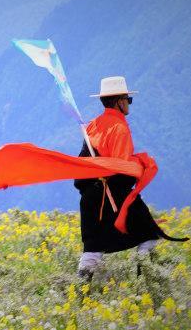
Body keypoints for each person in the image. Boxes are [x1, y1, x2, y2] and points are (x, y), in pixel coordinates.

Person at [74, 76, 181, 280]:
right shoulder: (119, 129)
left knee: (92, 249)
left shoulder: (92, 125)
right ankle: (145, 280)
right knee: (149, 233)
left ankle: (80, 291)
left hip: (89, 197)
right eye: (128, 99)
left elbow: (83, 164)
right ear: (119, 101)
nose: (129, 103)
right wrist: (139, 168)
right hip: (112, 195)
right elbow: (122, 172)